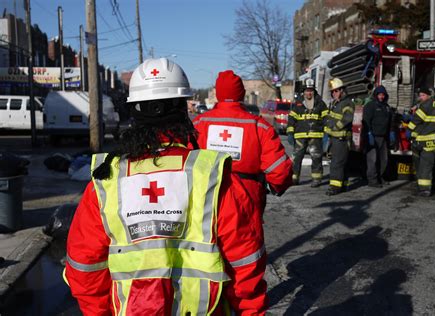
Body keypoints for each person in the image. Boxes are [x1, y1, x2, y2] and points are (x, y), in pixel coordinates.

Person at [64, 58, 268, 315]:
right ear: (183, 109)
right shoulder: (215, 178)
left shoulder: (106, 181)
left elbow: (84, 267)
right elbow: (246, 265)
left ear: (134, 113)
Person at [193, 70, 292, 213]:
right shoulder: (259, 126)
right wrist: (272, 187)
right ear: (240, 93)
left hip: (206, 203)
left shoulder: (198, 124)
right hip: (246, 205)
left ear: (218, 93)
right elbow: (280, 171)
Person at [287, 78, 328, 187]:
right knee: (296, 158)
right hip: (300, 136)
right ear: (303, 92)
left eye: (311, 90)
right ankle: (294, 178)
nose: (309, 93)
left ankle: (316, 179)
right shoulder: (298, 104)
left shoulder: (320, 103)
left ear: (314, 91)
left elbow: (326, 119)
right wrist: (290, 133)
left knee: (316, 157)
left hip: (316, 135)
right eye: (307, 90)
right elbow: (291, 119)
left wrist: (326, 133)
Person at [324, 78, 355, 196]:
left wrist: (335, 128)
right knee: (340, 162)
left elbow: (347, 119)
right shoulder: (335, 103)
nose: (333, 93)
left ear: (342, 90)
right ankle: (343, 184)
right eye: (332, 92)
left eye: (336, 91)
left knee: (336, 163)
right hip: (334, 138)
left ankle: (335, 187)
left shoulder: (347, 103)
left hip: (341, 139)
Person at [363, 85, 393, 188]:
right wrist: (368, 133)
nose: (382, 97)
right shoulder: (370, 106)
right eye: (380, 94)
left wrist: (391, 133)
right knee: (372, 159)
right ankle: (372, 181)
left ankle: (380, 177)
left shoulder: (387, 107)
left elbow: (391, 121)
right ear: (376, 95)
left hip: (383, 137)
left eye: (383, 95)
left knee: (383, 159)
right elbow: (366, 120)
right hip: (373, 137)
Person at [404, 87, 432, 179]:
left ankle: (424, 178)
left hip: (426, 136)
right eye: (420, 95)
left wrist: (412, 118)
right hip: (417, 138)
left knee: (425, 160)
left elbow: (422, 119)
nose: (421, 97)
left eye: (423, 95)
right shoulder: (419, 105)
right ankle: (419, 177)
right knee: (416, 159)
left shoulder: (430, 105)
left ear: (429, 96)